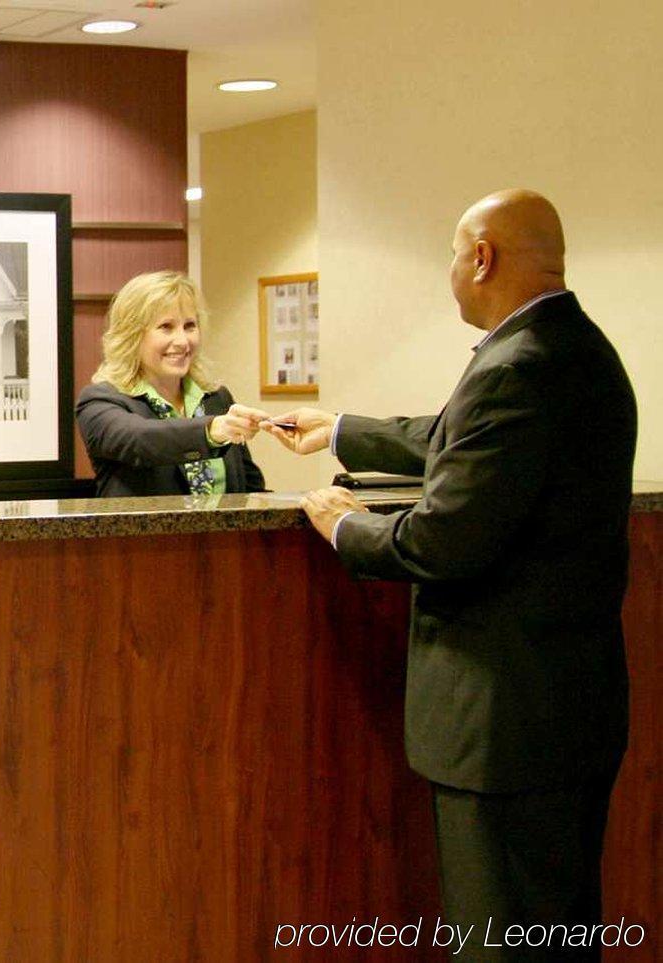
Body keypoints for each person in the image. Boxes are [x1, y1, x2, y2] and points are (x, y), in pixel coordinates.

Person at [264, 189, 636, 959]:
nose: (450, 272)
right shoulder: (579, 351)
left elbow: (442, 541)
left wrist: (346, 528)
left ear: (482, 256)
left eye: (452, 254)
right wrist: (338, 429)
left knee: (498, 940)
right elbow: (455, 442)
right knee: (561, 932)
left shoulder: (515, 368)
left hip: (502, 724)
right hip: (570, 709)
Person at [76, 270, 267, 497]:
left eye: (189, 326)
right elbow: (140, 440)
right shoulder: (99, 402)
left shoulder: (217, 399)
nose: (182, 341)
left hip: (222, 534)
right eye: (166, 327)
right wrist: (211, 431)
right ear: (132, 335)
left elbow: (251, 488)